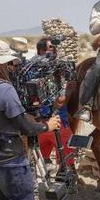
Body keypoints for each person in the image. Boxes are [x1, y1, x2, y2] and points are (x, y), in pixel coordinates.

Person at [0, 39, 61, 200]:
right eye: (7, 62)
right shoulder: (4, 89)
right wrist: (47, 125)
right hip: (10, 162)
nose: (9, 65)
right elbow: (25, 127)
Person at [35, 38, 75, 172]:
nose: (55, 50)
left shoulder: (58, 66)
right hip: (47, 123)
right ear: (41, 50)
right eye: (51, 47)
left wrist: (65, 98)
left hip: (49, 122)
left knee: (64, 159)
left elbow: (71, 84)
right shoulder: (31, 69)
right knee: (65, 158)